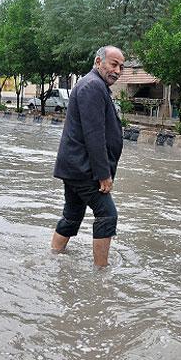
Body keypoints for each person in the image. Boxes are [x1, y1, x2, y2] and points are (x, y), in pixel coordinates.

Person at [51, 45, 125, 267]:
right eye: (113, 64)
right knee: (107, 214)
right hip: (84, 169)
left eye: (121, 66)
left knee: (72, 215)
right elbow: (94, 135)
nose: (118, 71)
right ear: (98, 61)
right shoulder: (93, 86)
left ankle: (53, 256)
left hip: (74, 167)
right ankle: (101, 273)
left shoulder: (92, 85)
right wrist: (104, 175)